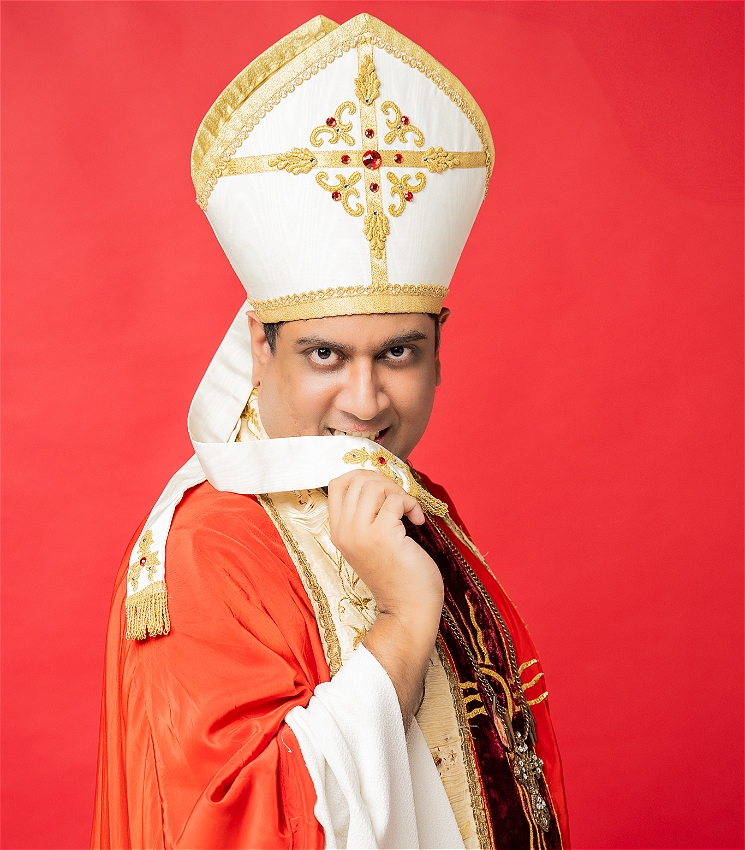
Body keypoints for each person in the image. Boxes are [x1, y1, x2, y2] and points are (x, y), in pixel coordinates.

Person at [92, 13, 569, 849]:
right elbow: (235, 825)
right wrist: (405, 615)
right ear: (260, 347)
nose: (365, 399)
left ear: (437, 352)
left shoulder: (408, 499)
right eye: (324, 354)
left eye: (397, 352)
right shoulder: (213, 545)